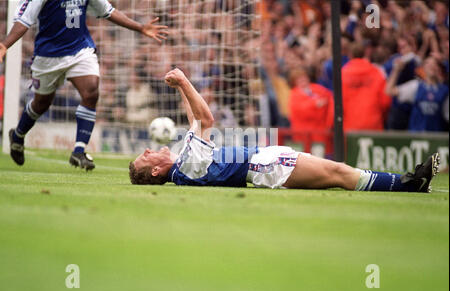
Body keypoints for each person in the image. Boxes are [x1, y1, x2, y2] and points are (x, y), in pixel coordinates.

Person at [129, 68, 440, 193]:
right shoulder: (188, 167)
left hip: (267, 161)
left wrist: (180, 91)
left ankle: (411, 182)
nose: (148, 150)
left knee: (338, 172)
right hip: (267, 168)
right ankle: (408, 183)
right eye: (145, 157)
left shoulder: (184, 165)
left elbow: (194, 121)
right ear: (156, 171)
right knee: (338, 172)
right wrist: (184, 80)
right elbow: (207, 120)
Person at [0, 0, 169, 170]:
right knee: (41, 103)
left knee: (91, 92)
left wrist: (140, 28)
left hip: (79, 50)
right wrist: (5, 45)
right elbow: (24, 21)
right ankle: (18, 135)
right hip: (48, 56)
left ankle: (79, 151)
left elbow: (108, 11)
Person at [386, 56, 449, 132]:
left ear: (439, 69)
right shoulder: (416, 86)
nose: (432, 66)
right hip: (417, 137)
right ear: (423, 68)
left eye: (435, 64)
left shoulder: (445, 91)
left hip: (436, 137)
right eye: (428, 64)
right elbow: (389, 91)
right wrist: (396, 70)